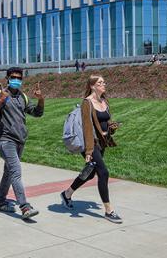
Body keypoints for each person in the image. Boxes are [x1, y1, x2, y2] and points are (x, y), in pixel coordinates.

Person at [60, 75, 122, 223]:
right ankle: (109, 210)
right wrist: (88, 151)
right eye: (100, 83)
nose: (103, 84)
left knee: (90, 174)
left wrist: (111, 129)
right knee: (103, 173)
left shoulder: (103, 101)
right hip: (90, 143)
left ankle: (67, 194)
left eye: (104, 82)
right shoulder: (87, 103)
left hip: (101, 143)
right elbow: (87, 128)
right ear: (93, 86)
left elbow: (103, 122)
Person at [0, 67, 44, 219]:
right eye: (13, 77)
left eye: (19, 78)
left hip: (20, 140)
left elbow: (37, 113)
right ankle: (25, 207)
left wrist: (40, 99)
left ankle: (0, 201)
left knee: (9, 171)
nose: (16, 80)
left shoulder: (22, 97)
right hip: (5, 140)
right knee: (16, 171)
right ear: (7, 78)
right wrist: (0, 101)